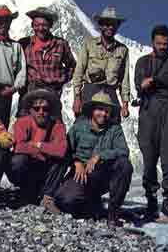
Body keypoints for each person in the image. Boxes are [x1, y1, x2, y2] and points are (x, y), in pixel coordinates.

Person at [55, 92, 133, 226]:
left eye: (107, 111)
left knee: (125, 165)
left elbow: (123, 151)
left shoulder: (115, 129)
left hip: (104, 175)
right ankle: (92, 206)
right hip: (81, 175)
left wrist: (100, 156)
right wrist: (76, 161)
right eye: (100, 109)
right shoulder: (78, 127)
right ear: (92, 110)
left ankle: (113, 214)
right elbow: (64, 150)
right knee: (66, 200)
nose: (103, 114)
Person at [134, 24, 168, 223]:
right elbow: (140, 84)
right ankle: (151, 201)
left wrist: (154, 80)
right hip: (148, 110)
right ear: (152, 42)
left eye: (166, 43)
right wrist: (167, 79)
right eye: (159, 43)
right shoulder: (142, 61)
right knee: (149, 158)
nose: (163, 46)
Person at [8, 89, 68, 213]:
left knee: (63, 159)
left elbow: (62, 150)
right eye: (37, 109)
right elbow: (19, 147)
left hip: (44, 169)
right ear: (30, 110)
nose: (41, 112)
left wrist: (38, 145)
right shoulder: (22, 122)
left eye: (45, 109)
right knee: (19, 159)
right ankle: (25, 192)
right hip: (29, 167)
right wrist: (48, 150)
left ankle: (47, 198)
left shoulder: (58, 126)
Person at [72, 6, 130, 122]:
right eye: (106, 24)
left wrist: (125, 104)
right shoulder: (89, 45)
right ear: (100, 25)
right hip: (90, 91)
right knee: (84, 126)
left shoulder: (123, 50)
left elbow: (124, 79)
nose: (110, 27)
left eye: (113, 24)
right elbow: (79, 72)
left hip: (111, 93)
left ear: (117, 26)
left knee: (112, 128)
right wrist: (77, 98)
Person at [18, 7, 77, 118]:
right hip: (29, 92)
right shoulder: (23, 44)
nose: (40, 28)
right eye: (37, 25)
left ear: (50, 26)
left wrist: (60, 79)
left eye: (44, 25)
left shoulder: (61, 44)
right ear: (32, 26)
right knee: (24, 124)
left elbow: (73, 67)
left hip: (52, 93)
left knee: (53, 125)